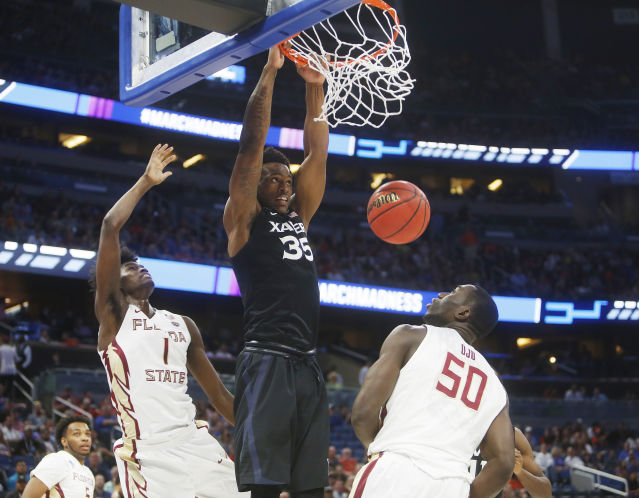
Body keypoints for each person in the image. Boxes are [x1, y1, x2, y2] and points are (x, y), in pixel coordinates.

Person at [92, 144, 246, 497]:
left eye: (142, 263)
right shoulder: (113, 317)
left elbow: (220, 396)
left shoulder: (183, 325)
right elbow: (110, 226)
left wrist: (263, 429)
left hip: (194, 440)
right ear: (114, 283)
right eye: (130, 267)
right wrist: (146, 181)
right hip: (148, 452)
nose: (140, 267)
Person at [223, 44, 329, 498]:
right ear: (256, 185)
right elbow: (250, 144)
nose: (284, 187)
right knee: (266, 487)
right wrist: (268, 73)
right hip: (265, 358)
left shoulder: (299, 216)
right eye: (274, 180)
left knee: (309, 486)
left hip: (307, 362)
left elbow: (317, 154)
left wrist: (315, 90)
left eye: (288, 180)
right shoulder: (244, 219)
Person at [350, 285, 515, 498]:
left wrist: (382, 447)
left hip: (396, 470)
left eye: (454, 292)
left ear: (463, 313)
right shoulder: (495, 381)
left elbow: (363, 414)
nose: (441, 294)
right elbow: (504, 463)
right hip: (454, 485)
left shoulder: (411, 336)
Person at [21, 415, 95, 498]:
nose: (85, 438)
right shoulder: (57, 460)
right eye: (77, 434)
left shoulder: (88, 473)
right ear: (64, 441)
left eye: (87, 434)